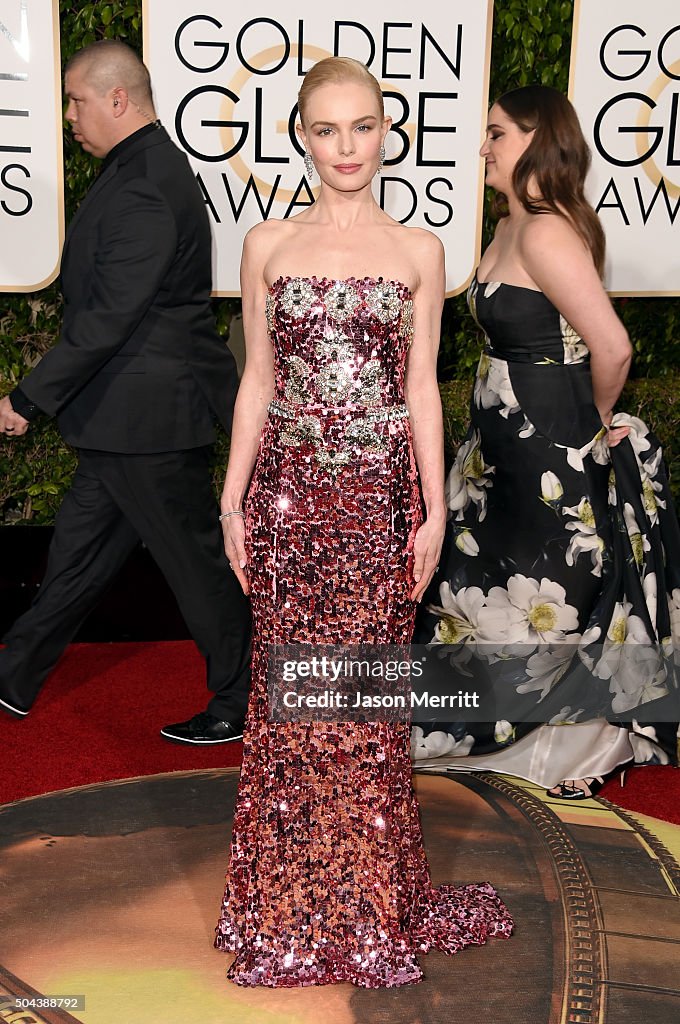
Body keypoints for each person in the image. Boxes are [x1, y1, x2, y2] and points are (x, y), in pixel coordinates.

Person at [212, 57, 512, 988]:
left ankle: (369, 898)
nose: (347, 147)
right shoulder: (265, 242)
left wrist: (431, 510)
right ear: (303, 136)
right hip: (290, 501)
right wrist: (232, 498)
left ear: (388, 132)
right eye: (328, 129)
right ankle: (287, 902)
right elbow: (259, 382)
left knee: (365, 710)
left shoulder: (421, 250)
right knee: (292, 705)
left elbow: (421, 391)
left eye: (364, 126)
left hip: (381, 504)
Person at [412, 85, 679, 797]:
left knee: (545, 587)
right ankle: (474, 723)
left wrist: (586, 426)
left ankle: (544, 746)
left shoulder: (548, 231)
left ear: (535, 139)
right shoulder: (510, 226)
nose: (484, 147)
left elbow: (612, 346)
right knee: (473, 583)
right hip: (496, 450)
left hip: (544, 451)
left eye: (497, 133)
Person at [0, 40, 250, 745]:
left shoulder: (145, 180)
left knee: (195, 567)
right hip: (122, 419)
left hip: (149, 418)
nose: (70, 116)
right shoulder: (139, 169)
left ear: (118, 99)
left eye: (77, 100)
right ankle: (15, 679)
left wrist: (25, 397)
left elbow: (111, 315)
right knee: (77, 559)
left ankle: (236, 700)